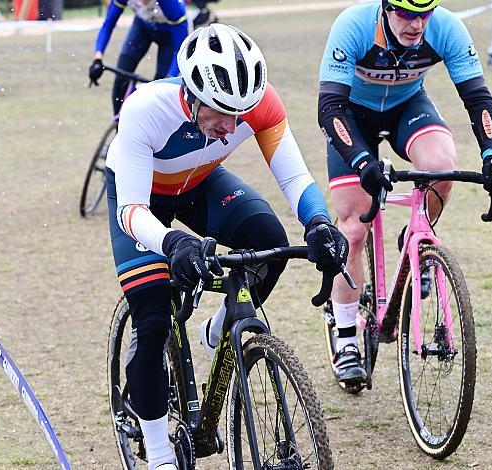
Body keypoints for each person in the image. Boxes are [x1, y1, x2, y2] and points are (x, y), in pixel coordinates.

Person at [106, 24, 349, 469]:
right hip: (141, 200)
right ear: (191, 95)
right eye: (220, 113)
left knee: (270, 245)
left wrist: (319, 223)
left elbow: (294, 177)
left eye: (241, 114)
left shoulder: (260, 104)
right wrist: (174, 241)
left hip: (200, 184)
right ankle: (159, 450)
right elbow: (131, 211)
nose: (231, 127)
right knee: (154, 316)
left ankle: (220, 327)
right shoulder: (146, 110)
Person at [318, 0, 492, 385]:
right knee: (354, 228)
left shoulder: (446, 28)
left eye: (424, 13)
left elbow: (477, 98)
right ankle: (345, 338)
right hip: (352, 115)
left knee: (442, 164)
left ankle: (416, 238)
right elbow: (330, 107)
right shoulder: (354, 25)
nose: (417, 24)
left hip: (409, 107)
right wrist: (360, 161)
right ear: (387, 8)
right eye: (407, 14)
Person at [88, 0, 188, 114]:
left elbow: (180, 50)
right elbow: (108, 25)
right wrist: (98, 58)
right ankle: (118, 125)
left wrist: (170, 76)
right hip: (142, 28)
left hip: (169, 36)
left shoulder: (171, 5)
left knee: (161, 89)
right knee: (121, 76)